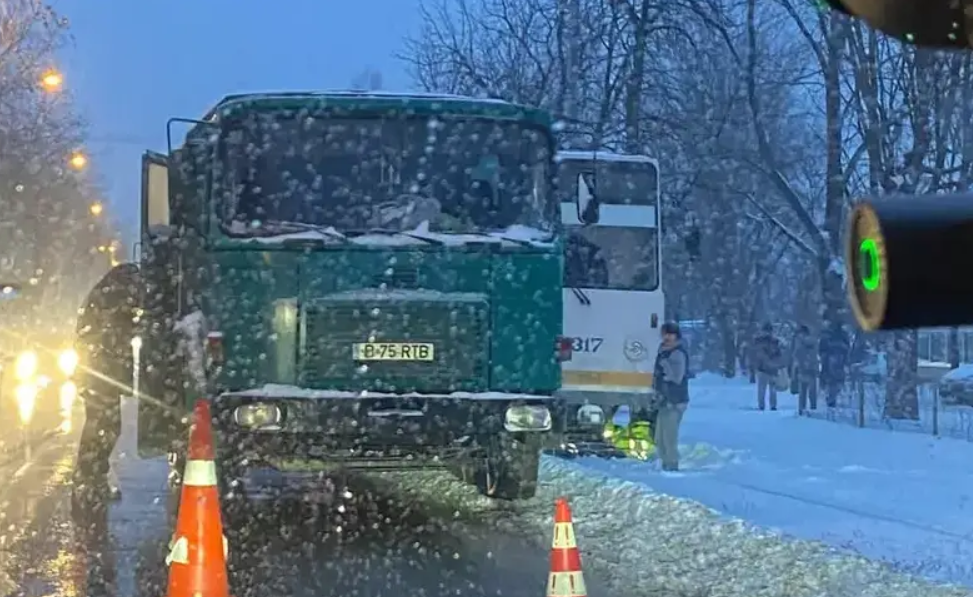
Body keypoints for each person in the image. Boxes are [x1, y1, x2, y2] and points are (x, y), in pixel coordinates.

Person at [73, 263, 141, 506]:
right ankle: (88, 480)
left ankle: (91, 478)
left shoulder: (104, 294)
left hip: (97, 370)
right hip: (100, 372)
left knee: (102, 425)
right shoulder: (112, 299)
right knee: (104, 426)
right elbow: (119, 327)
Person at [652, 322, 690, 472]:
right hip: (664, 400)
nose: (668, 337)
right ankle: (665, 464)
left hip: (675, 401)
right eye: (665, 334)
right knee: (659, 438)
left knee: (669, 437)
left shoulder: (678, 353)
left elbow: (677, 377)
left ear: (676, 336)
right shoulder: (662, 351)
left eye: (671, 334)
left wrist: (665, 365)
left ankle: (672, 465)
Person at [752, 323, 784, 410]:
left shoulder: (771, 342)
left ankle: (770, 405)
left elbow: (778, 355)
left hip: (768, 368)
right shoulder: (762, 342)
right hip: (765, 368)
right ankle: (764, 405)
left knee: (769, 389)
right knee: (764, 389)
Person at [819, 320, 850, 408]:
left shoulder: (828, 334)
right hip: (835, 360)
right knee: (835, 380)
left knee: (833, 380)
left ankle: (831, 397)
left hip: (833, 360)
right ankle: (831, 398)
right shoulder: (843, 335)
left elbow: (822, 348)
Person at [790, 324, 820, 414]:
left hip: (803, 369)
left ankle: (802, 410)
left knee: (803, 392)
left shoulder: (799, 343)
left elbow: (795, 356)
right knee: (812, 392)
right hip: (812, 369)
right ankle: (813, 409)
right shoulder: (814, 342)